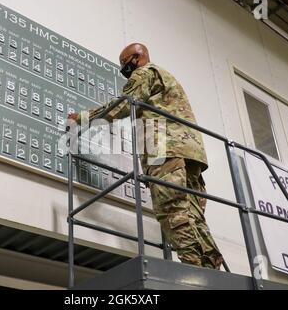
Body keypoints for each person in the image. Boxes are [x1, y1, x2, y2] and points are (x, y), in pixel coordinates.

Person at [68, 43, 223, 269]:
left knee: (172, 210)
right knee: (192, 215)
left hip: (163, 150)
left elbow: (122, 105)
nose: (124, 70)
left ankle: (194, 269)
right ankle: (211, 269)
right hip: (190, 152)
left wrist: (81, 118)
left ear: (137, 58)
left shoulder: (143, 73)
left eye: (124, 64)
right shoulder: (165, 77)